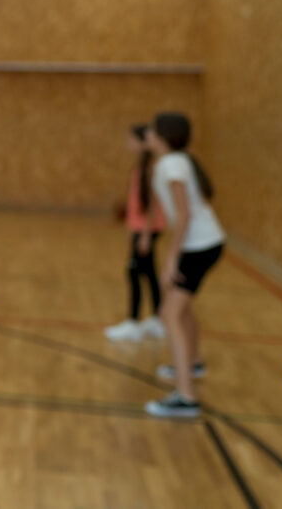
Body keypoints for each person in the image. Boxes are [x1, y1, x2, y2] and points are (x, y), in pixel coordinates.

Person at [143, 112, 224, 418]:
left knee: (170, 312)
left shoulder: (170, 164)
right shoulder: (177, 161)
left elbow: (184, 215)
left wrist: (171, 259)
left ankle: (185, 397)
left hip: (198, 246)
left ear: (163, 135)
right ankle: (193, 362)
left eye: (151, 129)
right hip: (208, 243)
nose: (147, 133)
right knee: (182, 308)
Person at [104, 125, 166, 342]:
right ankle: (159, 319)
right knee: (149, 273)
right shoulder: (141, 168)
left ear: (142, 143)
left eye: (131, 140)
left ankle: (133, 322)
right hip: (141, 229)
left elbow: (151, 206)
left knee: (133, 273)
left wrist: (145, 235)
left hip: (147, 230)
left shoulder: (150, 168)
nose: (128, 144)